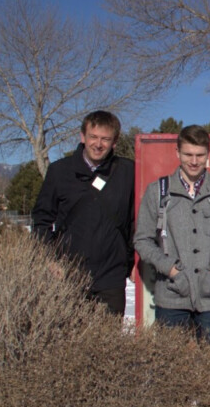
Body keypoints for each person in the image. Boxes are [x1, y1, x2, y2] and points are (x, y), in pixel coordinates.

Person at [133, 125, 210, 343]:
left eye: (200, 155)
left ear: (208, 155)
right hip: (171, 297)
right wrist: (171, 270)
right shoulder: (158, 191)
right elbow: (143, 239)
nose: (194, 161)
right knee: (171, 368)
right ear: (177, 153)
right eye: (188, 154)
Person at [32, 110, 134, 315]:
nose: (98, 144)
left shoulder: (127, 171)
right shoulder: (59, 171)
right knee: (69, 341)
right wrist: (49, 259)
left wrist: (134, 262)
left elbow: (134, 220)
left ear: (114, 141)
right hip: (67, 273)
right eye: (93, 137)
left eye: (105, 139)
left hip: (111, 276)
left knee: (108, 342)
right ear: (82, 137)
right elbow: (41, 220)